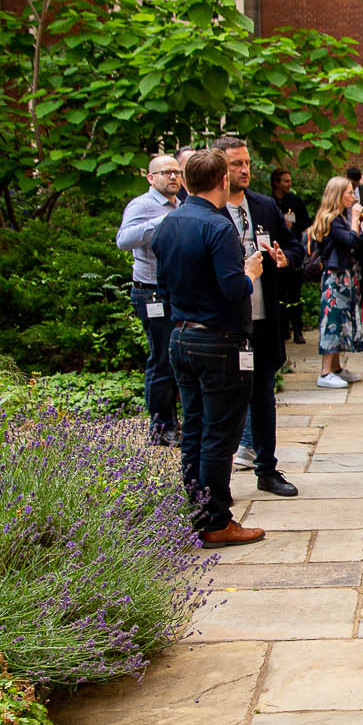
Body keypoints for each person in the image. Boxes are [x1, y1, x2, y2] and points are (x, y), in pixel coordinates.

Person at [153, 148, 269, 545]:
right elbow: (233, 288)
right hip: (219, 341)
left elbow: (163, 287)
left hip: (181, 336)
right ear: (222, 181)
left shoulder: (169, 223)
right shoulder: (218, 228)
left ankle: (197, 511)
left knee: (195, 430)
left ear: (186, 181)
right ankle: (216, 519)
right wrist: (250, 272)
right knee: (220, 433)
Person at [219, 138, 300, 498]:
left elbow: (294, 246)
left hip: (264, 318)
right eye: (236, 164)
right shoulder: (208, 210)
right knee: (225, 401)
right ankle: (219, 476)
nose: (245, 169)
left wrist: (285, 259)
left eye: (247, 162)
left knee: (264, 397)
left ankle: (267, 468)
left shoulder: (264, 206)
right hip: (226, 323)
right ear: (220, 169)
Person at [114, 153, 183, 445]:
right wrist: (161, 222)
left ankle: (175, 421)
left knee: (177, 356)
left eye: (177, 172)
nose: (173, 177)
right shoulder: (142, 206)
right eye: (166, 172)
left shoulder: (182, 204)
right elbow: (123, 240)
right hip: (150, 290)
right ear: (150, 177)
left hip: (177, 289)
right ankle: (161, 425)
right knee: (162, 358)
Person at [309, 176, 363, 389]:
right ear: (337, 194)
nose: (353, 196)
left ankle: (336, 367)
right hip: (335, 277)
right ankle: (325, 372)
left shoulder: (341, 217)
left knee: (344, 319)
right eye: (349, 192)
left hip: (346, 275)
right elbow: (350, 240)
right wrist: (355, 220)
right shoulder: (331, 218)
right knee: (333, 320)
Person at [270, 166, 310, 345]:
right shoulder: (269, 203)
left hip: (292, 253)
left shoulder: (295, 201)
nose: (289, 184)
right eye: (285, 181)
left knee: (295, 295)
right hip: (275, 254)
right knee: (279, 295)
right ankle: (282, 329)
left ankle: (297, 329)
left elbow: (306, 222)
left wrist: (293, 227)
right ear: (276, 183)